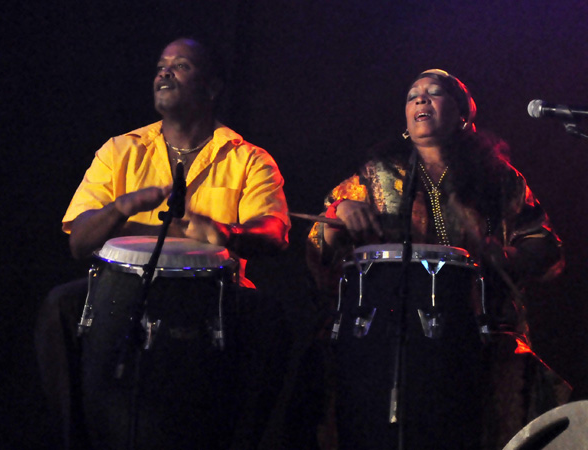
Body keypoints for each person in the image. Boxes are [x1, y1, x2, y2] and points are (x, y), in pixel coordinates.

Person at [35, 37, 291, 450]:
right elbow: (79, 242)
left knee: (269, 317)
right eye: (161, 65)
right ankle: (75, 440)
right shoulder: (120, 150)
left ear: (211, 88)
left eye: (182, 65)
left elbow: (275, 234)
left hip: (216, 296)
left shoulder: (248, 158)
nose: (164, 72)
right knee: (58, 307)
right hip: (120, 291)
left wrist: (228, 235)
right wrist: (120, 207)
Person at [307, 69, 571, 449]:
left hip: (481, 330)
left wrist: (503, 255)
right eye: (413, 95)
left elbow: (547, 248)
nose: (420, 100)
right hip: (390, 331)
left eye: (434, 93)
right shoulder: (375, 174)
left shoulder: (501, 180)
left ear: (463, 115)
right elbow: (321, 244)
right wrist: (342, 212)